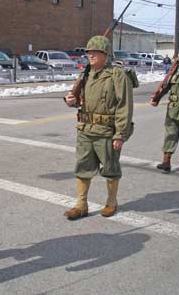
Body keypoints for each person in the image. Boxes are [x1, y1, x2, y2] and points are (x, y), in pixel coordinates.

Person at [64, 35, 133, 220]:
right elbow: (77, 98)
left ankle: (111, 202)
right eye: (89, 52)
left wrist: (120, 134)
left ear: (106, 54)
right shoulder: (86, 73)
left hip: (106, 132)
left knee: (110, 169)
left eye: (96, 52)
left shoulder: (116, 75)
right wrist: (70, 100)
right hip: (85, 130)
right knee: (82, 168)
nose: (91, 55)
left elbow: (124, 106)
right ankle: (81, 204)